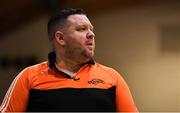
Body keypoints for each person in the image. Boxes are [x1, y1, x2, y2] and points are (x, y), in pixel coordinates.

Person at [0, 8, 138, 112]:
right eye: (82, 29)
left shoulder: (113, 77)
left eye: (91, 29)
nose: (91, 34)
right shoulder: (28, 76)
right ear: (60, 38)